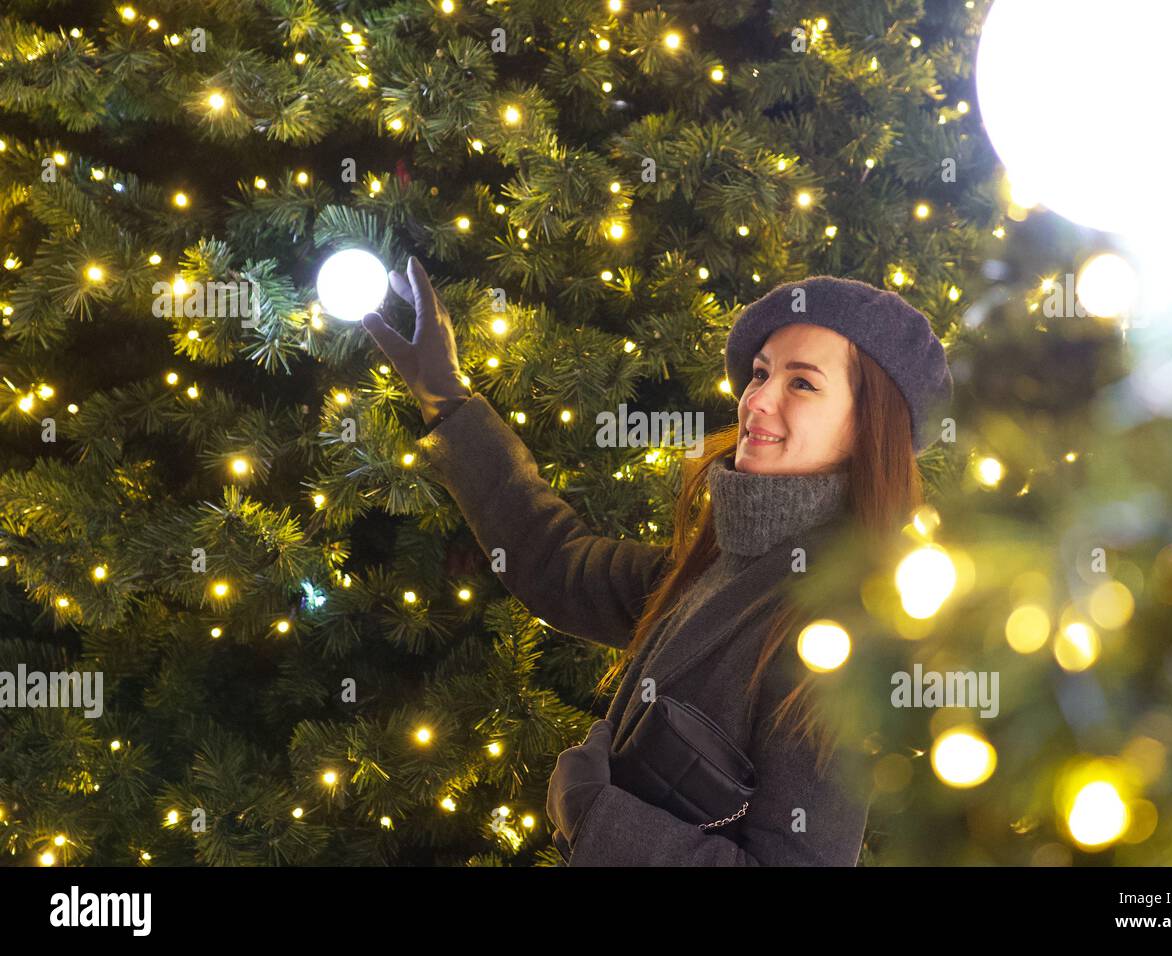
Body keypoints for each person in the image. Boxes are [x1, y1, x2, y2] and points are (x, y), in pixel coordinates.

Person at [362, 258, 952, 865]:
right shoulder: (718, 562)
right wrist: (448, 402)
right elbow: (557, 565)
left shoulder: (839, 631)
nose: (757, 400)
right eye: (760, 373)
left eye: (802, 384)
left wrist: (599, 821)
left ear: (869, 428)